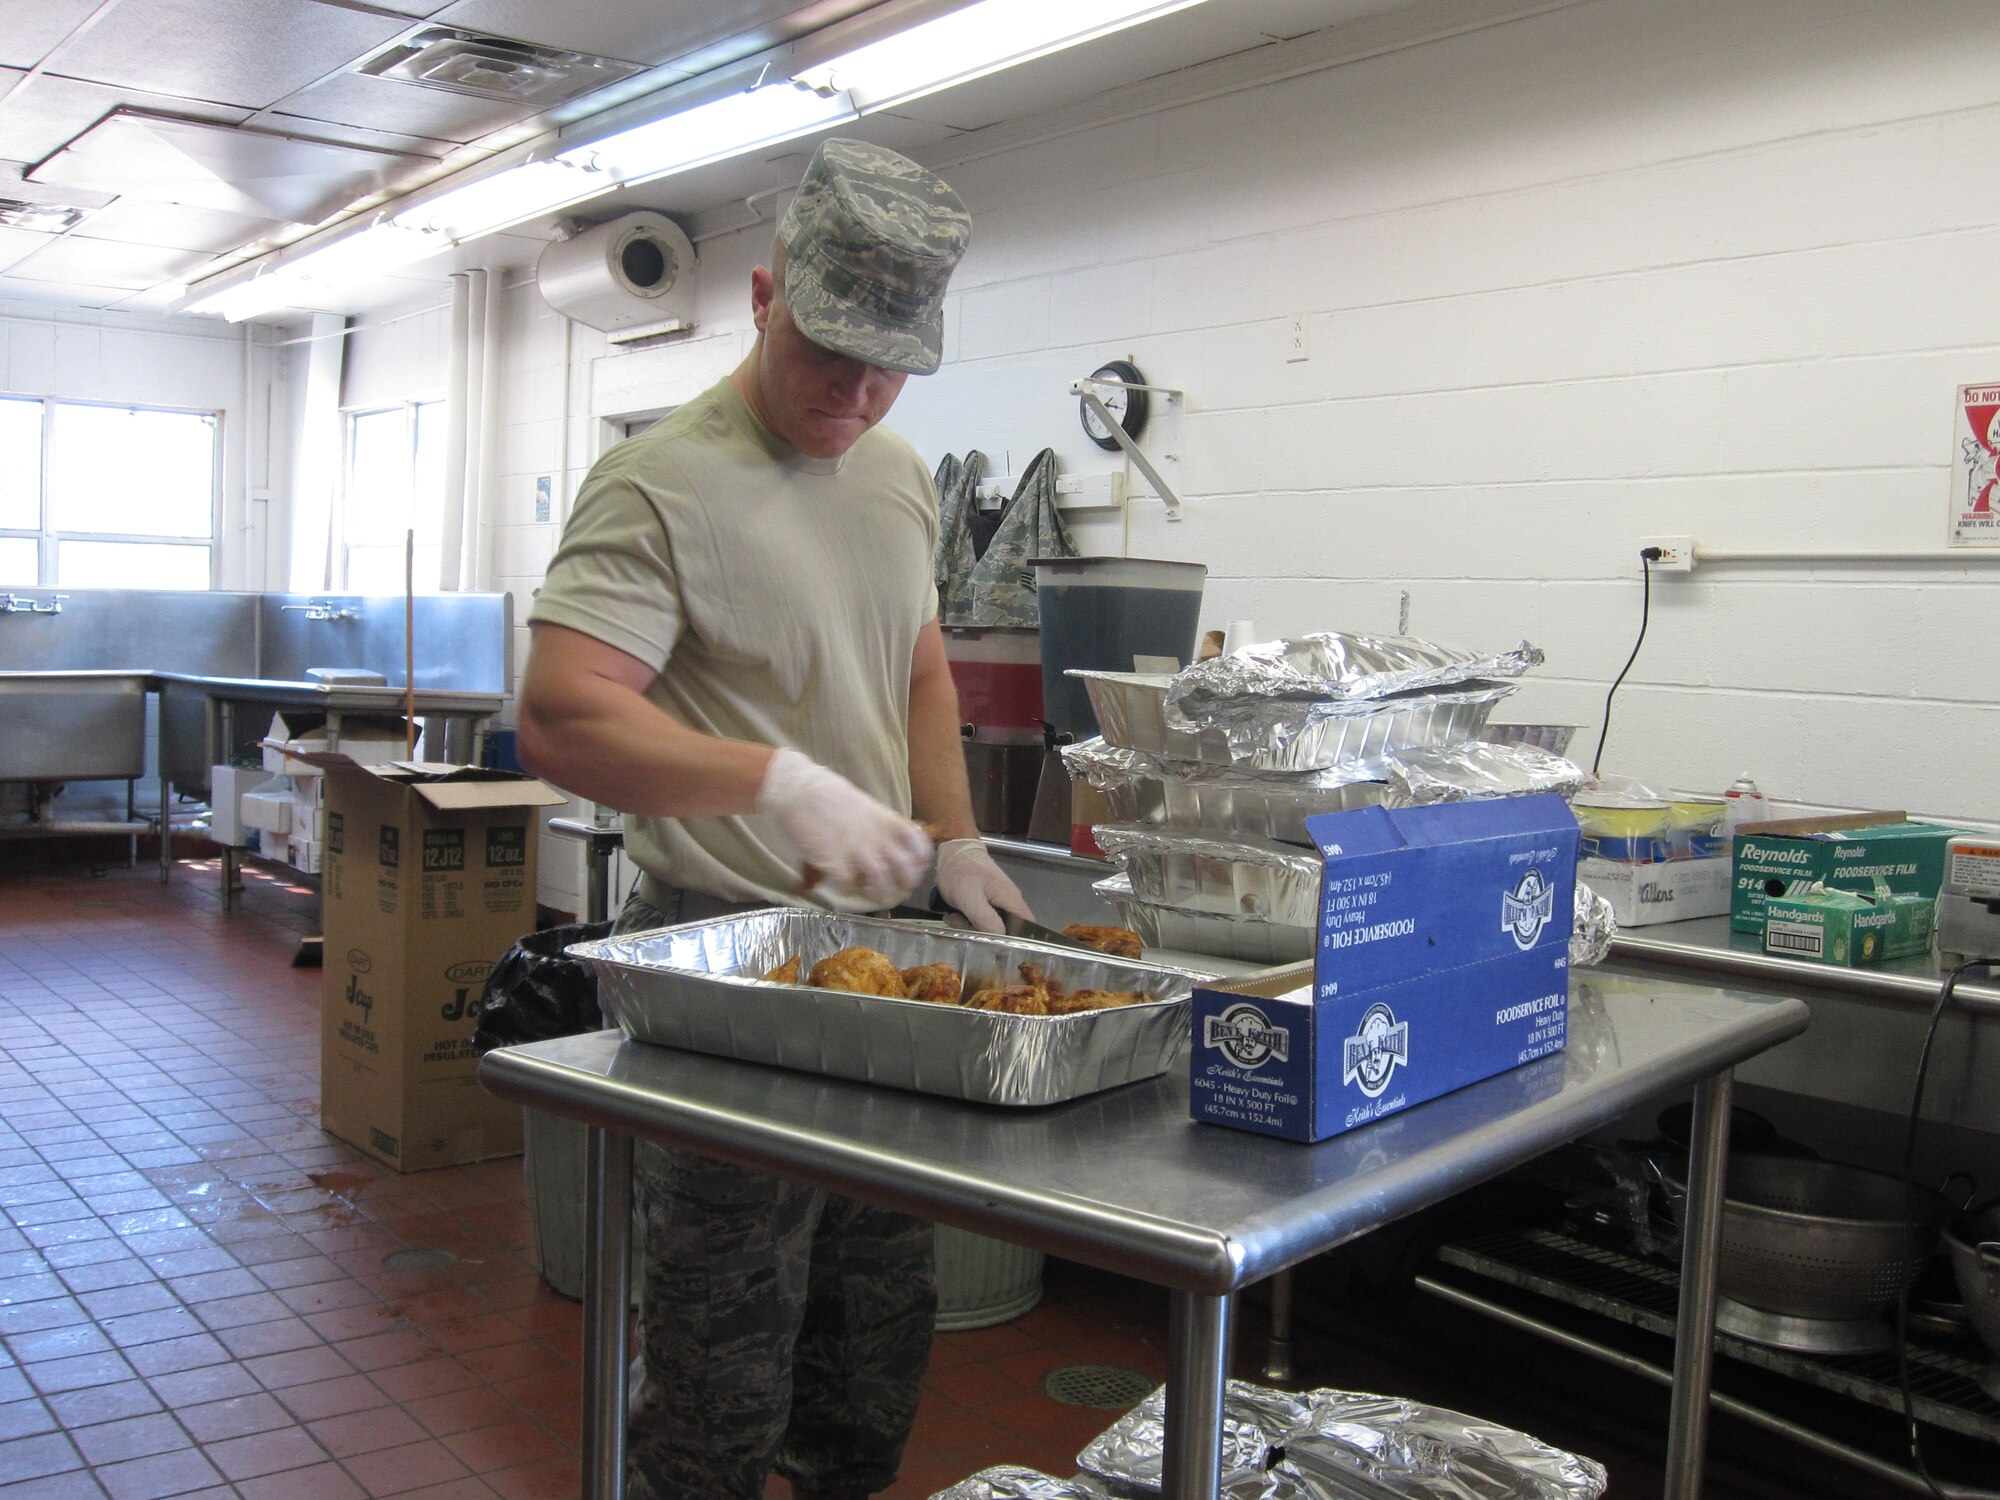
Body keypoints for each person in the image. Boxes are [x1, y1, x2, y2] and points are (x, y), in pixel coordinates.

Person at [515, 138, 1034, 1500]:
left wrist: (956, 832)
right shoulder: (661, 483)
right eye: (829, 356)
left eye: (889, 368)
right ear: (762, 293)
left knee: (872, 1337)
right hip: (722, 959)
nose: (855, 397)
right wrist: (773, 779)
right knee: (719, 1355)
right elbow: (564, 715)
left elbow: (919, 667)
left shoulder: (897, 474)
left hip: (883, 954)